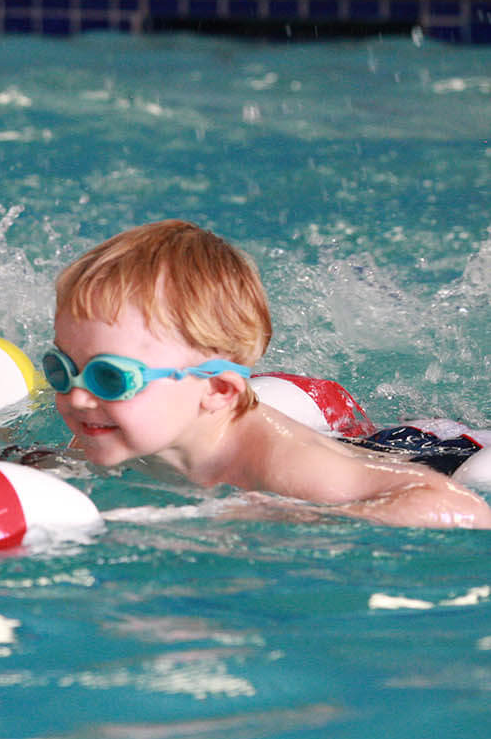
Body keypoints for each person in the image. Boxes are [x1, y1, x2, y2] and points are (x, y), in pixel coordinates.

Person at [46, 219, 491, 529]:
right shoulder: (108, 424)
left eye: (110, 378)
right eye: (62, 370)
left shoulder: (283, 469)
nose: (78, 397)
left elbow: (461, 509)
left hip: (436, 460)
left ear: (218, 389)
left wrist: (289, 517)